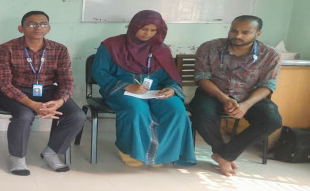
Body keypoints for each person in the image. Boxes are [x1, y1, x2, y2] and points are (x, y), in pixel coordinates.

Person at [91, 10, 196, 167]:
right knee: (137, 109)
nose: (148, 34)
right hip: (120, 90)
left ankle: (161, 153)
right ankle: (129, 151)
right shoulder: (111, 45)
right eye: (144, 29)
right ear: (134, 26)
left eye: (153, 30)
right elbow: (99, 72)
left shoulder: (161, 49)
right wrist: (127, 86)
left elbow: (171, 76)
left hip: (155, 90)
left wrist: (171, 88)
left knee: (176, 109)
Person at [0, 11, 87, 175]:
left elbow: (66, 81)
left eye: (43, 24)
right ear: (21, 29)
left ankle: (51, 152)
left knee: (77, 116)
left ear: (48, 28)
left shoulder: (59, 49)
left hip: (48, 91)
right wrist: (31, 104)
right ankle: (18, 158)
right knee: (24, 115)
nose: (38, 27)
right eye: (32, 24)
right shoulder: (6, 48)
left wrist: (60, 101)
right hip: (15, 92)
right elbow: (4, 83)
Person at [190, 15, 282, 176]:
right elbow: (202, 78)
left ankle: (225, 155)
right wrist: (224, 98)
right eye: (234, 30)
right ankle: (222, 153)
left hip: (249, 97)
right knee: (201, 115)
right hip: (213, 93)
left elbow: (268, 85)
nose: (237, 35)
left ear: (258, 34)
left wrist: (246, 104)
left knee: (272, 120)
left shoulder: (270, 55)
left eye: (245, 32)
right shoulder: (209, 47)